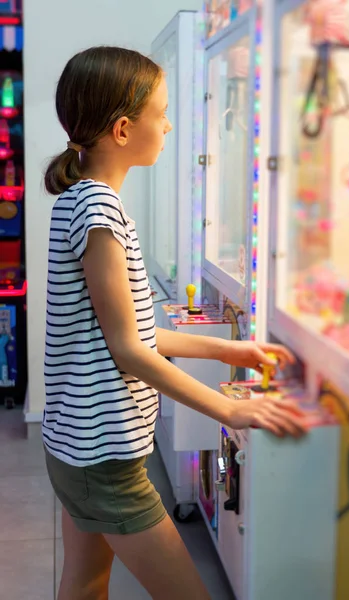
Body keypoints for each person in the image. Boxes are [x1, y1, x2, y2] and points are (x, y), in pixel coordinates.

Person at [42, 46, 308, 600]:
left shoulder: (81, 201)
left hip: (79, 447)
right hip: (104, 456)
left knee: (86, 582)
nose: (167, 125)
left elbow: (132, 333)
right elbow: (131, 352)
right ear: (122, 129)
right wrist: (232, 409)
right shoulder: (98, 213)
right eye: (160, 113)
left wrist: (228, 353)